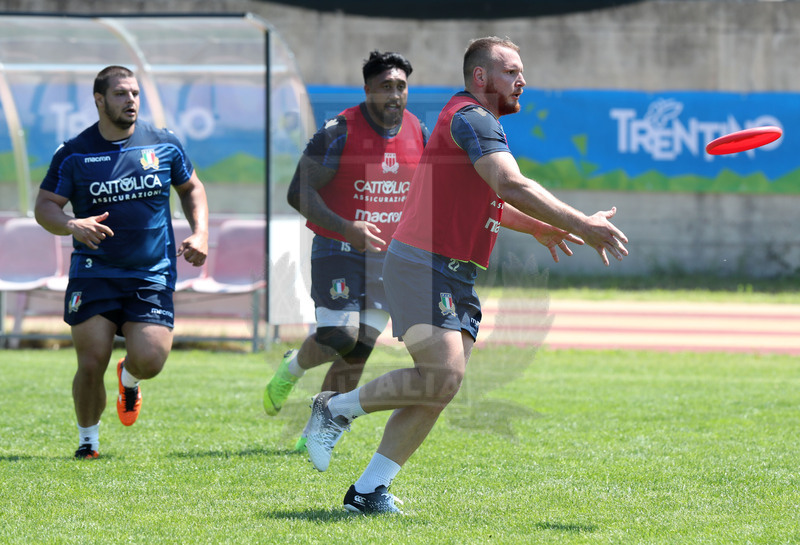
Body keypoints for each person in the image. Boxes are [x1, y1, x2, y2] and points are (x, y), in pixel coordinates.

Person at [300, 36, 629, 514]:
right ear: (481, 78)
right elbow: (510, 183)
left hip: (455, 272)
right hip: (421, 263)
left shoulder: (478, 122)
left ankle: (369, 491)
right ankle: (334, 409)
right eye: (512, 71)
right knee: (443, 374)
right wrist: (581, 223)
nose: (523, 80)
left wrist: (539, 227)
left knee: (441, 386)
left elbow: (491, 198)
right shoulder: (470, 117)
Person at [34, 65, 209, 460]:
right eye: (120, 94)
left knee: (151, 359)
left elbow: (192, 188)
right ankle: (88, 441)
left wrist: (200, 233)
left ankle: (129, 380)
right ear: (99, 100)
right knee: (91, 359)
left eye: (134, 94)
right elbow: (45, 206)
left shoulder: (164, 143)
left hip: (152, 272)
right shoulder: (74, 152)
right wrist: (70, 223)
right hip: (95, 274)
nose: (130, 100)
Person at [262, 51, 429, 452]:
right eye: (385, 86)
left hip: (387, 260)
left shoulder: (418, 131)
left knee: (358, 351)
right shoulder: (339, 131)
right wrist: (347, 228)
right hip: (338, 249)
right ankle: (293, 367)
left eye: (401, 86)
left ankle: (315, 433)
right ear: (368, 89)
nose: (394, 94)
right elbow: (297, 191)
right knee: (340, 335)